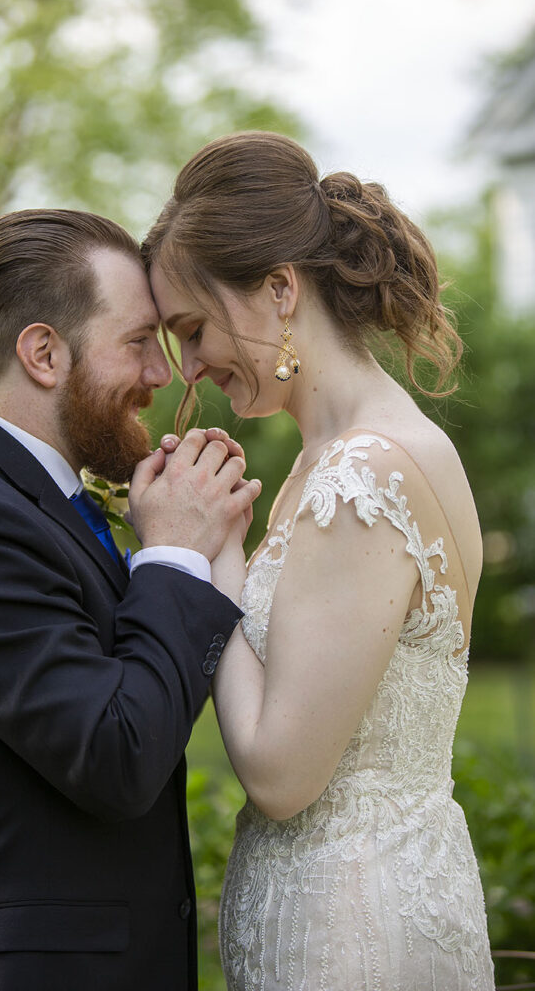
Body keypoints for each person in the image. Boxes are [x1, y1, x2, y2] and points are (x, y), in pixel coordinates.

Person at [0, 208, 262, 991]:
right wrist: (173, 554)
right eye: (140, 342)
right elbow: (115, 755)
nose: (164, 374)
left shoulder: (16, 497)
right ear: (44, 352)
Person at [142, 132, 495, 990]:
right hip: (335, 911)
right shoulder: (326, 457)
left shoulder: (364, 472)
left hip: (354, 934)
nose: (190, 367)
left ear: (278, 289)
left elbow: (279, 772)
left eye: (194, 330)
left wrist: (204, 555)